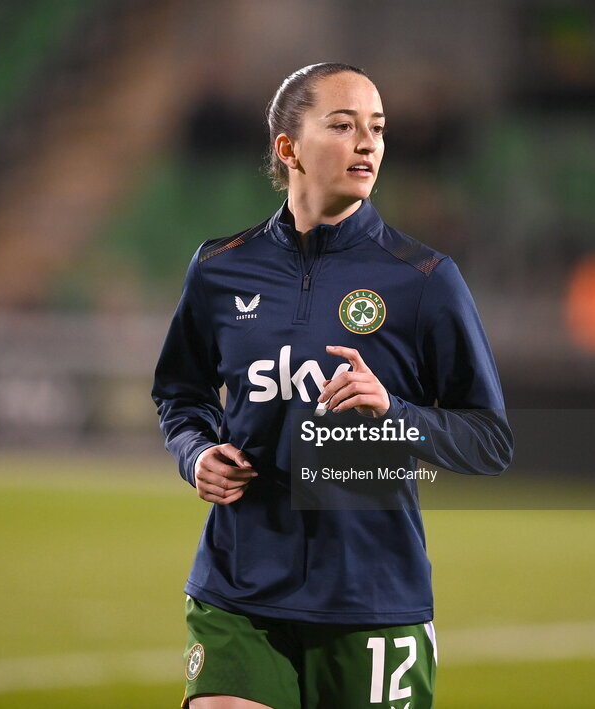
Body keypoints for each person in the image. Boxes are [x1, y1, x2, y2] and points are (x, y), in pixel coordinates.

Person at [153, 62, 512, 709]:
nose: (367, 142)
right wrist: (197, 453)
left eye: (376, 128)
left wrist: (395, 410)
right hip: (239, 582)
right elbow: (180, 395)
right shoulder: (219, 268)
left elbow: (489, 439)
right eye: (343, 125)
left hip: (372, 592)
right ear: (288, 147)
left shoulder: (425, 278)